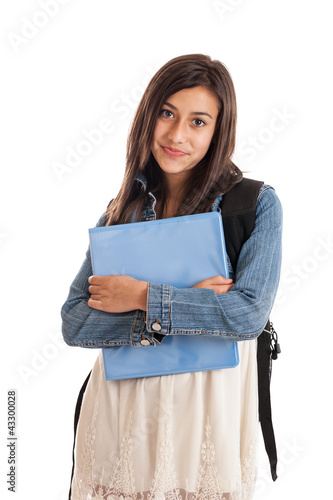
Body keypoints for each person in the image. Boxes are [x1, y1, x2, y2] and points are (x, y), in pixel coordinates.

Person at [61, 53, 282, 500]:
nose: (177, 134)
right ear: (148, 117)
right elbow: (76, 322)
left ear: (220, 131)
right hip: (120, 420)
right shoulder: (120, 211)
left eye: (198, 121)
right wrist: (176, 314)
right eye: (166, 113)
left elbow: (246, 316)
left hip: (205, 426)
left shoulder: (254, 205)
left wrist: (142, 295)